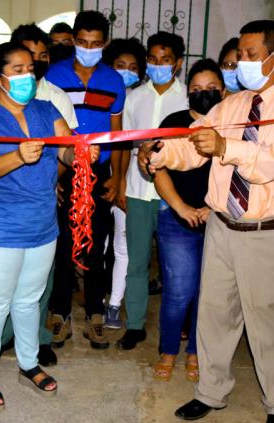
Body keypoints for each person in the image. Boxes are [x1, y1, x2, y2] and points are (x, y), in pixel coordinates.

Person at [139, 20, 274, 423]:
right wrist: (163, 153)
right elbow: (194, 144)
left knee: (270, 323)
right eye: (240, 55)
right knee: (214, 314)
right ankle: (211, 390)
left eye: (251, 55)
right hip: (221, 228)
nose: (242, 63)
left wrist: (227, 148)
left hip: (267, 232)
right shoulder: (230, 106)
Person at [0, 42, 98, 412]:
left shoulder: (46, 109)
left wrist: (80, 153)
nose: (26, 76)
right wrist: (17, 155)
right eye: (17, 70)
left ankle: (27, 363)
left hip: (40, 225)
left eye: (30, 69)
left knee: (28, 300)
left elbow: (65, 149)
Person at [45, 10, 126, 350]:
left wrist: (118, 179)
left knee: (96, 243)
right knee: (62, 241)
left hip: (99, 171)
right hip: (64, 168)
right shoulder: (54, 75)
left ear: (104, 44)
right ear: (74, 41)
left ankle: (95, 310)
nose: (88, 49)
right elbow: (46, 126)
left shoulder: (114, 81)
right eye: (81, 42)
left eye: (95, 44)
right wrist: (52, 178)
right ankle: (59, 311)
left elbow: (119, 135)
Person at [3, 23, 79, 366]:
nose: (35, 63)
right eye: (27, 56)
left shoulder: (55, 97)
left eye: (41, 56)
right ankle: (4, 335)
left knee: (41, 273)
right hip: (3, 198)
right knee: (4, 273)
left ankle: (38, 337)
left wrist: (52, 181)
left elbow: (67, 150)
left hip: (45, 196)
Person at [152, 59, 224, 382]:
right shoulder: (174, 122)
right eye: (196, 90)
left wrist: (214, 208)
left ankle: (195, 350)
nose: (204, 95)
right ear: (188, 95)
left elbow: (238, 173)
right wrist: (181, 207)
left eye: (211, 90)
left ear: (223, 91)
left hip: (219, 220)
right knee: (179, 290)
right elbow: (158, 168)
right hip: (177, 219)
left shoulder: (233, 124)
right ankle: (168, 349)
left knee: (207, 292)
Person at [117, 31, 189, 350]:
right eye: (153, 59)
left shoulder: (188, 98)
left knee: (176, 265)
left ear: (178, 64)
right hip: (137, 187)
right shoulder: (134, 97)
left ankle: (177, 326)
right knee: (137, 261)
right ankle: (134, 325)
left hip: (174, 192)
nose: (158, 65)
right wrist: (119, 183)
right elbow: (122, 145)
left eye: (166, 60)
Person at [99, 36, 147, 329]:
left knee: (121, 245)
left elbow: (132, 147)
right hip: (98, 176)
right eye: (119, 66)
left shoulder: (141, 100)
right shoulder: (104, 98)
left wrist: (123, 184)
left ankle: (114, 304)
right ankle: (100, 293)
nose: (125, 72)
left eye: (132, 67)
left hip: (128, 181)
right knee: (100, 242)